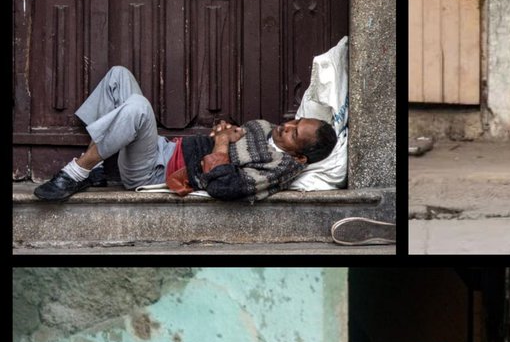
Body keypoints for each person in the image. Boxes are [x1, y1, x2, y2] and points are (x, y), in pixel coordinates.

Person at [33, 65, 336, 202]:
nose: (288, 126)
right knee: (118, 76)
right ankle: (97, 165)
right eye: (297, 122)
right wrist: (223, 131)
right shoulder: (266, 127)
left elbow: (226, 188)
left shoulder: (280, 166)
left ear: (299, 154)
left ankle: (75, 173)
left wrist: (219, 141)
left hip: (155, 171)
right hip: (164, 148)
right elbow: (231, 136)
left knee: (138, 107)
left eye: (295, 134)